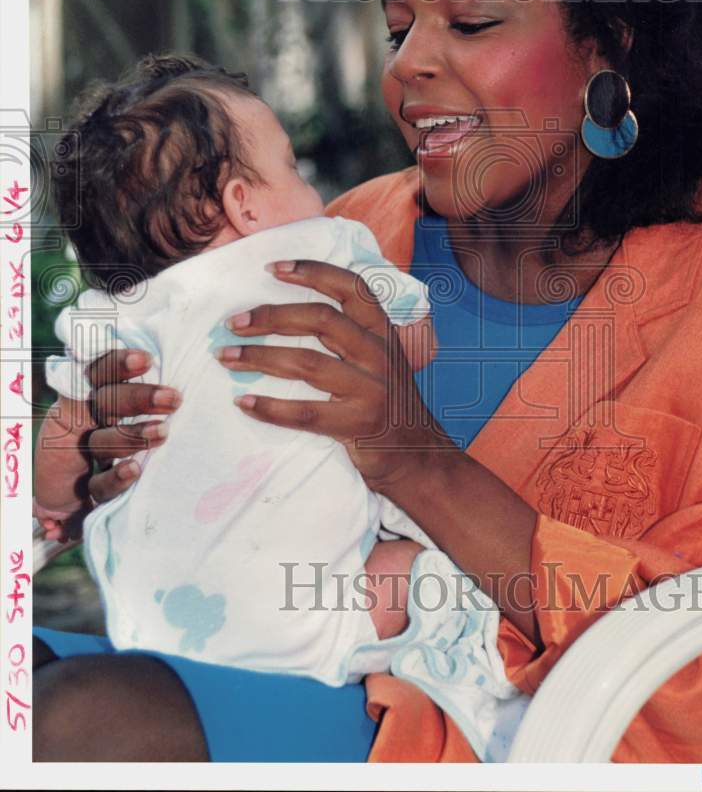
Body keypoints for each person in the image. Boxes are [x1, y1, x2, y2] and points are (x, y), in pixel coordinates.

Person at [33, 0, 702, 764]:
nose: (408, 67)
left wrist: (416, 460)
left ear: (605, 44)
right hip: (247, 656)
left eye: (468, 23)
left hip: (474, 731)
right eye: (399, 28)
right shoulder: (355, 231)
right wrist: (90, 464)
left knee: (77, 724)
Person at [35, 53, 525, 762]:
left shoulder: (117, 316)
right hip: (320, 611)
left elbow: (56, 479)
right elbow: (414, 347)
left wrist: (84, 463)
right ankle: (491, 706)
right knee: (425, 567)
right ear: (244, 204)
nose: (311, 186)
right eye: (293, 168)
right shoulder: (326, 248)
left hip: (157, 625)